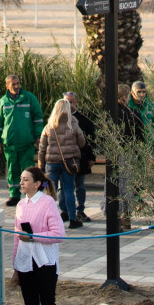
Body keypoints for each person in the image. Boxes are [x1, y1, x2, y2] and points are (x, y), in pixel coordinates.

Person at [12, 167, 69, 305]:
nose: (21, 183)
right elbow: (17, 238)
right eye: (21, 179)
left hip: (44, 262)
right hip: (25, 262)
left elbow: (59, 234)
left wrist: (34, 236)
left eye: (25, 179)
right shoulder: (20, 205)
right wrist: (15, 268)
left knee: (48, 304)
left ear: (37, 184)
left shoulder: (48, 203)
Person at [0, 74, 43, 206]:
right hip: (10, 144)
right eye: (13, 84)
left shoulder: (29, 98)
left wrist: (38, 135)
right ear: (7, 86)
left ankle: (30, 194)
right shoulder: (3, 102)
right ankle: (14, 195)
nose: (16, 86)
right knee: (12, 169)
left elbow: (38, 118)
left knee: (28, 170)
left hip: (27, 143)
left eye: (18, 83)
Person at [37, 98, 87, 229]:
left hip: (51, 165)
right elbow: (82, 143)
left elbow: (42, 147)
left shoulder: (49, 126)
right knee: (69, 190)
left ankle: (47, 219)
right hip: (69, 165)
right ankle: (72, 219)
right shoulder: (74, 125)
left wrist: (40, 165)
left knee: (47, 189)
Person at [65, 92, 96, 222]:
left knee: (80, 186)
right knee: (65, 187)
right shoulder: (58, 117)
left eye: (72, 102)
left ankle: (80, 210)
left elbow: (91, 139)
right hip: (65, 159)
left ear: (76, 102)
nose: (69, 105)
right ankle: (65, 211)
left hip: (81, 158)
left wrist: (91, 157)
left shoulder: (84, 118)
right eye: (67, 102)